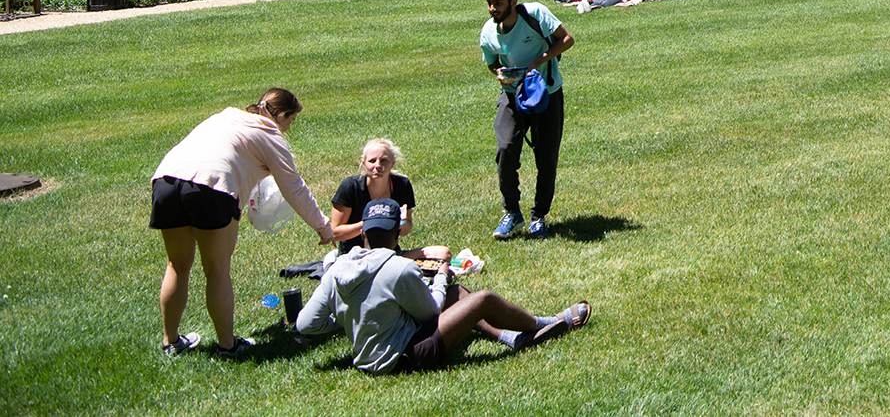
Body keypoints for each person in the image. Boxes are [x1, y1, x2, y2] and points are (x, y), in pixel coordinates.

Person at [297, 197, 590, 374]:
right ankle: (540, 325)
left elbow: (306, 323)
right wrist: (441, 274)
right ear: (397, 233)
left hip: (368, 357)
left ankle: (508, 337)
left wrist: (349, 317)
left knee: (458, 294)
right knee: (482, 299)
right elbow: (431, 313)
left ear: (363, 234)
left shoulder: (336, 269)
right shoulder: (398, 267)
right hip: (405, 356)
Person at [151, 88, 336, 357]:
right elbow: (293, 187)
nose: (288, 128)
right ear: (281, 115)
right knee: (217, 270)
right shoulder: (270, 134)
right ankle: (228, 346)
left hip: (165, 180)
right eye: (291, 121)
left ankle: (171, 343)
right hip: (212, 187)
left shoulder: (226, 116)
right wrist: (322, 226)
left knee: (176, 265)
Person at [480, 0, 575, 240]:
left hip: (547, 94)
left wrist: (538, 61)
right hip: (512, 96)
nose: (493, 8)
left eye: (498, 3)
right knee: (505, 150)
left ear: (513, 2)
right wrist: (499, 73)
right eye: (490, 3)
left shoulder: (535, 14)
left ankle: (538, 217)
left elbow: (567, 40)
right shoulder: (488, 31)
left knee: (546, 158)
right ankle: (512, 212)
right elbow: (491, 62)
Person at [327, 138, 446, 260]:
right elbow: (335, 233)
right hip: (354, 257)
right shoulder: (351, 187)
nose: (377, 165)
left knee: (443, 253)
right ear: (364, 163)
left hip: (390, 256)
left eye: (383, 160)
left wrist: (402, 223)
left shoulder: (402, 185)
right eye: (372, 161)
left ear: (393, 163)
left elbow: (405, 230)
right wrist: (370, 223)